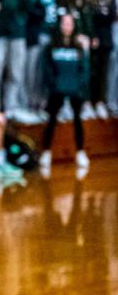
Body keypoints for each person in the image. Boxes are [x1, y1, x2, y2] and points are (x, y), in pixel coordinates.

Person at [39, 14, 91, 176]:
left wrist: (80, 86)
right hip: (57, 90)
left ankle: (80, 152)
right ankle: (46, 152)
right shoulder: (51, 45)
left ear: (74, 26)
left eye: (70, 24)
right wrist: (54, 85)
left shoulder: (79, 47)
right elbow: (47, 69)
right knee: (52, 119)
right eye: (64, 23)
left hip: (75, 90)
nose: (67, 26)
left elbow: (85, 70)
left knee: (78, 120)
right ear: (60, 25)